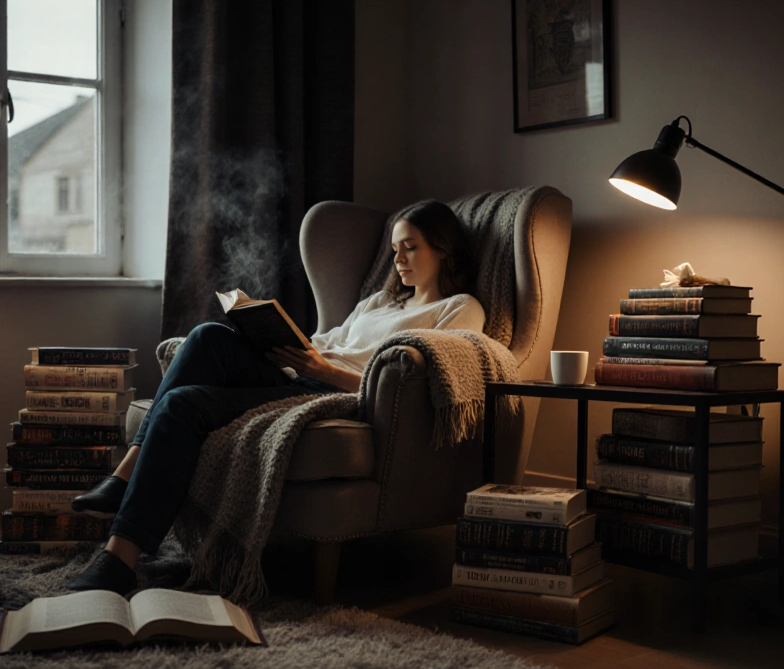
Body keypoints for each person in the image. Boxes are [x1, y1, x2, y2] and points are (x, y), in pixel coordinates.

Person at [66, 199, 487, 593]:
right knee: (209, 336)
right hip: (301, 374)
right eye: (395, 249)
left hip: (335, 392)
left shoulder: (459, 308)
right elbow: (325, 340)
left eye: (409, 248)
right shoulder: (378, 301)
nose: (397, 260)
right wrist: (280, 341)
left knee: (182, 404)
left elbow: (420, 380)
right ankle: (123, 497)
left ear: (443, 249)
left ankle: (120, 554)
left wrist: (322, 370)